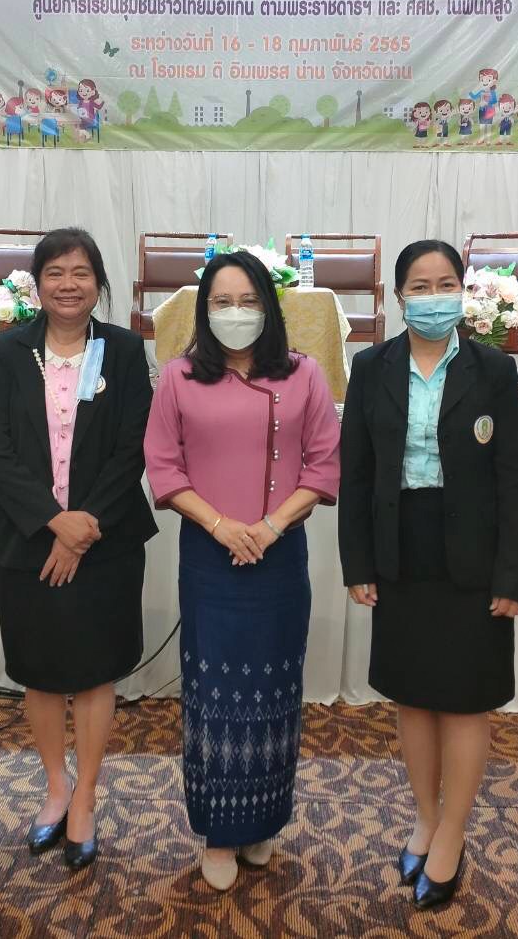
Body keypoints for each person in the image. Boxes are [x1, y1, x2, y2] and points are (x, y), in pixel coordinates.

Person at [338, 240, 518, 910]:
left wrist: (513, 573)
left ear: (463, 292)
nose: (432, 296)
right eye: (419, 286)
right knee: (413, 694)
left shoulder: (492, 369)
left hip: (473, 555)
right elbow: (356, 471)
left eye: (445, 283)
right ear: (399, 298)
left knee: (465, 698)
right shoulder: (372, 366)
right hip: (400, 547)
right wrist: (358, 562)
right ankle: (425, 817)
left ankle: (452, 832)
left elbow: (516, 476)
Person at [143, 251, 341, 892]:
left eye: (248, 301)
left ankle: (264, 820)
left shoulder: (304, 374)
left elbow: (322, 464)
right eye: (222, 302)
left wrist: (270, 527)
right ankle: (219, 830)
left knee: (276, 691)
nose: (236, 313)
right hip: (211, 556)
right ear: (204, 312)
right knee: (216, 694)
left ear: (269, 309)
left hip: (280, 556)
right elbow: (163, 466)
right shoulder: (179, 377)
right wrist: (223, 526)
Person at [0, 228, 157, 871]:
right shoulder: (6, 352)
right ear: (37, 283)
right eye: (54, 272)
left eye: (81, 272)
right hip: (29, 539)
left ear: (98, 282)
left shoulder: (125, 350)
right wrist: (54, 522)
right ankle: (56, 786)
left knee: (95, 670)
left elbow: (132, 447)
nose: (68, 284)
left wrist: (84, 529)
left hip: (106, 541)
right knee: (41, 670)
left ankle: (85, 798)